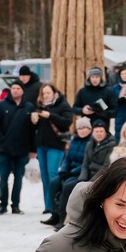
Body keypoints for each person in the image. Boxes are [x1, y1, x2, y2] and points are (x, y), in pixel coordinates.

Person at [29, 82, 75, 221]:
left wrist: (50, 116)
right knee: (44, 176)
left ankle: (56, 205)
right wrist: (34, 120)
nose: (46, 95)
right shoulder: (40, 107)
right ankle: (48, 205)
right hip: (41, 145)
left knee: (53, 175)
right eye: (43, 93)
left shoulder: (62, 105)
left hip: (56, 145)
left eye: (48, 93)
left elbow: (67, 122)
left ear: (54, 92)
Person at [0, 81, 35, 215]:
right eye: (13, 88)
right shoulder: (1, 105)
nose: (15, 90)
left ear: (22, 91)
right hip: (5, 150)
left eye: (18, 88)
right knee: (3, 178)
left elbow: (32, 130)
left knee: (18, 179)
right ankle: (2, 205)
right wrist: (2, 141)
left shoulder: (28, 107)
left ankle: (15, 205)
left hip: (22, 149)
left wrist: (32, 149)